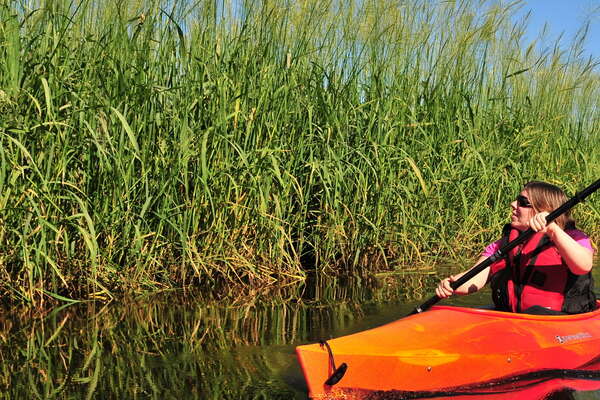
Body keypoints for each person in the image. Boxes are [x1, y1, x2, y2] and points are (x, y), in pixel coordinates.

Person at [436, 181, 596, 315]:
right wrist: (452, 284)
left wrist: (553, 230)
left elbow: (583, 266)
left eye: (522, 202)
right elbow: (476, 278)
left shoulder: (573, 238)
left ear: (544, 209)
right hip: (516, 321)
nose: (513, 204)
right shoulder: (503, 245)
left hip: (560, 322)